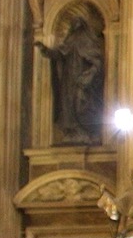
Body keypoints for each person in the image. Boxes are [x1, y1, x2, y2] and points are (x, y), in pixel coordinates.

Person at [35, 15, 106, 145]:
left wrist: (89, 75)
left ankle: (87, 132)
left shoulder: (87, 41)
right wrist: (45, 50)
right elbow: (59, 53)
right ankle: (73, 132)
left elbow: (97, 62)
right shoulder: (70, 41)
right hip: (69, 80)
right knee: (67, 106)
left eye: (77, 23)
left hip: (82, 82)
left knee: (81, 105)